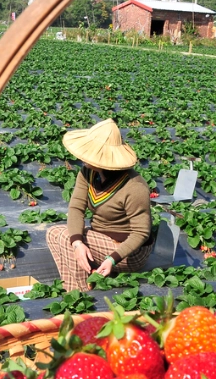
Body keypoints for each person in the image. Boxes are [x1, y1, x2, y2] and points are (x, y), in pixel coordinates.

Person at [46, 119, 153, 291]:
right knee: (54, 234)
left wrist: (112, 259)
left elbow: (141, 233)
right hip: (101, 238)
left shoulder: (134, 187)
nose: (81, 157)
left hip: (128, 251)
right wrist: (78, 244)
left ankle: (80, 294)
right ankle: (74, 289)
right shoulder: (87, 173)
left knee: (65, 237)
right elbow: (76, 208)